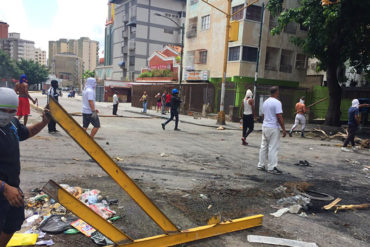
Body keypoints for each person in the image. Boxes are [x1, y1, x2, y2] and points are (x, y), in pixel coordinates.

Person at [0, 87, 50, 247]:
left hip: (12, 188)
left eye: (11, 111)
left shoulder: (11, 124)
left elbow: (26, 132)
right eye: (2, 110)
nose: (6, 115)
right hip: (3, 188)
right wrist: (4, 187)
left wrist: (44, 122)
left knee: (14, 221)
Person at [257, 86, 287, 175]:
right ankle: (272, 167)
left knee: (263, 146)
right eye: (278, 91)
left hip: (265, 126)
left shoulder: (266, 102)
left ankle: (261, 165)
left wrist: (266, 122)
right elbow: (279, 116)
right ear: (276, 92)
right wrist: (284, 129)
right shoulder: (277, 102)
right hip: (273, 127)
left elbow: (263, 115)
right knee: (273, 147)